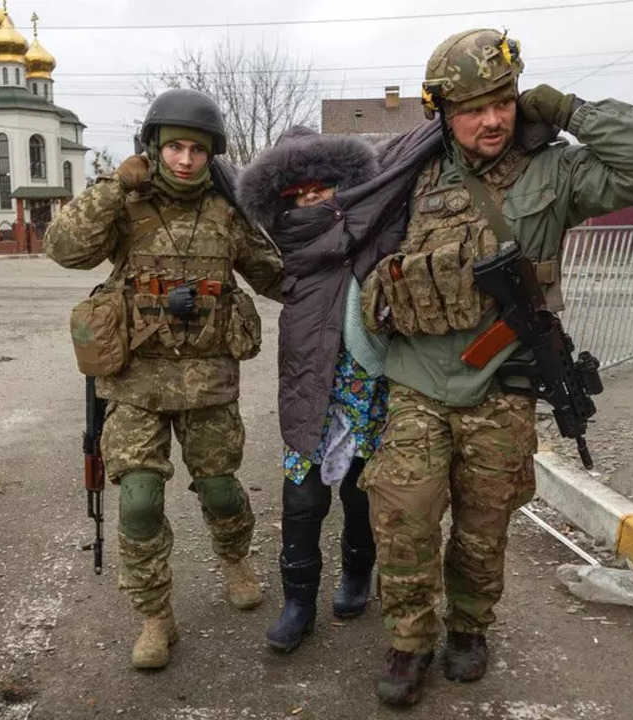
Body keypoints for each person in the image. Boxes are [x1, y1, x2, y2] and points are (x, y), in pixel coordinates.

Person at [358, 28, 633, 705]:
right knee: (403, 520)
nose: (493, 119)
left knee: (484, 524)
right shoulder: (407, 174)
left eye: (503, 100)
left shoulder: (553, 172)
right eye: (473, 107)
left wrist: (566, 109)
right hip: (416, 381)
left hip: (501, 384)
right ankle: (409, 639)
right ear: (442, 112)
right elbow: (349, 248)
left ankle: (470, 628)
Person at [44, 88, 284, 670]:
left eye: (196, 150)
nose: (184, 160)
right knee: (141, 501)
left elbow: (276, 274)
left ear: (211, 155)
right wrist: (112, 186)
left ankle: (235, 559)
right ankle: (156, 616)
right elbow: (62, 248)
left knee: (223, 491)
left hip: (208, 384)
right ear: (152, 148)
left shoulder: (228, 210)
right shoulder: (126, 204)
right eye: (173, 147)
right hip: (135, 384)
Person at [237, 124, 440, 652]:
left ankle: (355, 576)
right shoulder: (289, 252)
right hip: (311, 391)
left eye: (319, 188)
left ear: (341, 184)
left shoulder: (378, 227)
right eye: (297, 194)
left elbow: (404, 158)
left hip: (367, 387)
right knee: (302, 498)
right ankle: (298, 604)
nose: (309, 199)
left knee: (357, 492)